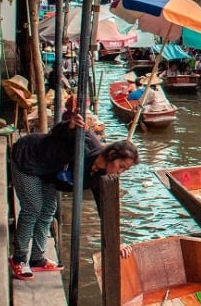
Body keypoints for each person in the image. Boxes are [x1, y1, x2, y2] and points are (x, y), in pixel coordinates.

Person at [9, 112, 140, 280]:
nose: (120, 172)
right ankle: (19, 258)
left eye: (124, 170)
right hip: (28, 158)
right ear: (112, 155)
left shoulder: (99, 176)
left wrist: (117, 241)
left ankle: (37, 258)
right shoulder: (87, 143)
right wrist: (69, 124)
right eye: (120, 166)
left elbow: (105, 208)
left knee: (48, 209)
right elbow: (57, 132)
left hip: (48, 174)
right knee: (33, 207)